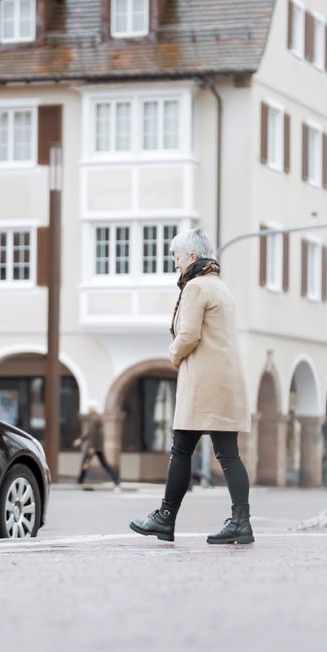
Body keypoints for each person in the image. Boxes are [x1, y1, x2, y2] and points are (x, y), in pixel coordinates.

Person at [129, 228, 253, 545]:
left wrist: (172, 355)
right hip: (226, 381)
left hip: (203, 383)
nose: (175, 264)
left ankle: (165, 519)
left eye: (177, 257)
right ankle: (241, 521)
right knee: (228, 455)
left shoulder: (196, 287)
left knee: (181, 449)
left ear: (193, 257)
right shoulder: (221, 287)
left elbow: (188, 336)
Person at [73, 405, 120, 489]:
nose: (88, 410)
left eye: (89, 408)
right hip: (97, 447)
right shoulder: (95, 418)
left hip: (93, 447)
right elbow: (90, 433)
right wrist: (80, 440)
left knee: (86, 463)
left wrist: (92, 447)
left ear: (92, 409)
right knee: (104, 464)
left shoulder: (94, 419)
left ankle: (80, 480)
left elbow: (95, 434)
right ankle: (116, 480)